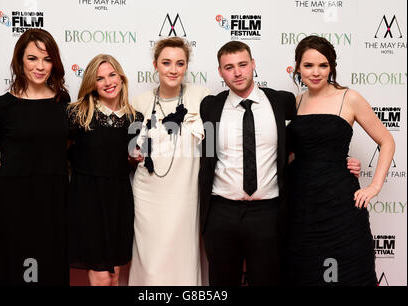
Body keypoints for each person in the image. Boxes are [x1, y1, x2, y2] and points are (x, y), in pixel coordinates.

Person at [198, 41, 362, 286]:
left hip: (268, 214)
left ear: (253, 65)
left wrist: (338, 160)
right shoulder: (210, 107)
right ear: (221, 72)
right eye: (229, 67)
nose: (238, 72)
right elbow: (206, 152)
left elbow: (310, 138)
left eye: (243, 64)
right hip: (221, 213)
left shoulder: (282, 103)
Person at [285, 35, 395, 286]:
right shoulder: (295, 102)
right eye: (308, 66)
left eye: (323, 65)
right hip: (302, 206)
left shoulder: (349, 98)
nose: (316, 72)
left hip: (341, 206)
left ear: (332, 67)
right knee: (306, 274)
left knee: (348, 273)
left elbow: (387, 141)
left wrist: (374, 187)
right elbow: (294, 152)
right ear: (297, 67)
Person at [0, 29, 70, 285]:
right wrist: (6, 187)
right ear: (19, 61)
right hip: (13, 207)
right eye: (32, 58)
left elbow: (71, 149)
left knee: (47, 271)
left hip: (53, 204)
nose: (40, 66)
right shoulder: (2, 106)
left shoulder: (63, 102)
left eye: (47, 59)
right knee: (12, 272)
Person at [128, 37, 209, 285]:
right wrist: (134, 153)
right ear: (156, 65)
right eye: (166, 63)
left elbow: (213, 147)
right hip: (147, 196)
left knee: (182, 263)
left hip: (186, 196)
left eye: (179, 63)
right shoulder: (139, 102)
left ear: (186, 66)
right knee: (151, 266)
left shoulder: (202, 97)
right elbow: (131, 150)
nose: (173, 69)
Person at [67, 54, 143, 286]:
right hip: (87, 200)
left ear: (121, 78)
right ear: (92, 84)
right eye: (100, 78)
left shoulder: (134, 118)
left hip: (119, 199)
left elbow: (129, 160)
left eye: (112, 75)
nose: (108, 82)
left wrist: (136, 158)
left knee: (114, 275)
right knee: (100, 276)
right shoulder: (76, 114)